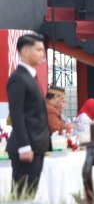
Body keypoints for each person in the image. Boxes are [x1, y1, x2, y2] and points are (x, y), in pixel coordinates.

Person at [6, 34, 50, 197]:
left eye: (43, 50)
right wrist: (25, 146)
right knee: (20, 195)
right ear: (25, 51)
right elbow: (17, 114)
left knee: (29, 194)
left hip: (37, 145)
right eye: (38, 50)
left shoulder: (31, 77)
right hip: (25, 148)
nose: (42, 54)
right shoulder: (18, 78)